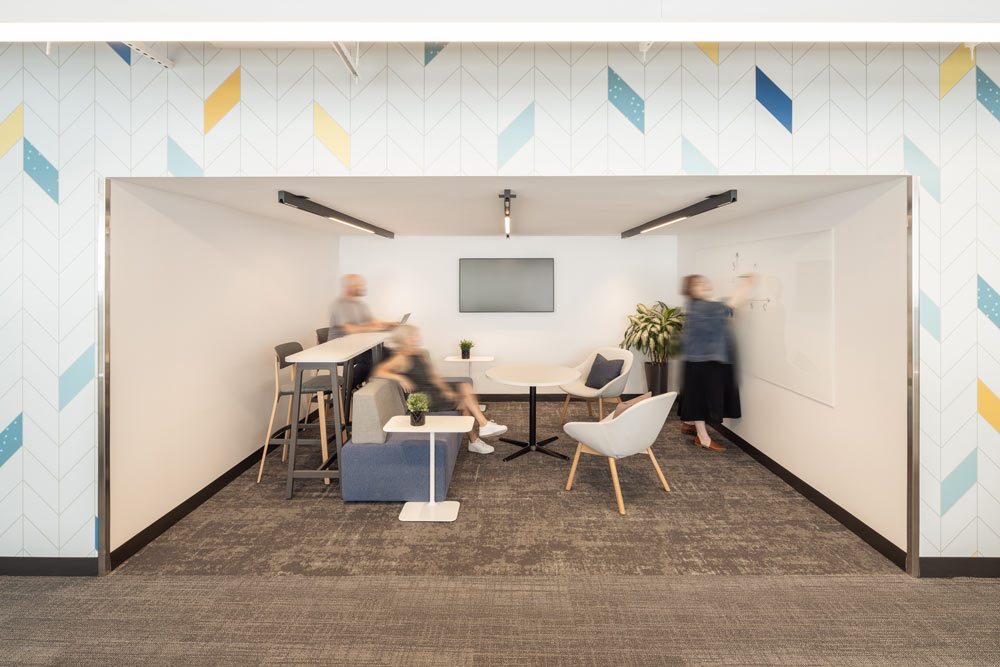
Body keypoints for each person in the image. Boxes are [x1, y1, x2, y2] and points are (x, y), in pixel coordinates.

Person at [374, 325, 507, 454]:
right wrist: (399, 378)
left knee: (464, 387)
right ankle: (478, 435)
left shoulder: (420, 353)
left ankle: (480, 432)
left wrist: (445, 390)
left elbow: (434, 376)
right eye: (412, 336)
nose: (416, 337)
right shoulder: (400, 358)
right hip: (423, 399)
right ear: (403, 339)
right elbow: (378, 371)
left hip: (433, 390)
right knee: (465, 403)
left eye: (415, 335)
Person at [678, 273, 755, 451]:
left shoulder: (692, 306)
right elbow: (730, 305)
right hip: (703, 362)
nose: (704, 285)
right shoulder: (705, 307)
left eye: (704, 282)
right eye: (698, 284)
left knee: (696, 396)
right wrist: (746, 284)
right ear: (690, 290)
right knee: (699, 400)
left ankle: (690, 423)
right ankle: (703, 438)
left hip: (696, 360)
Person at [329, 274, 397, 389]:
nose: (362, 287)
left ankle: (358, 387)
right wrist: (375, 328)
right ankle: (346, 389)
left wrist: (389, 324)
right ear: (349, 287)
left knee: (390, 354)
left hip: (357, 345)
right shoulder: (340, 305)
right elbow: (350, 329)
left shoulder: (360, 305)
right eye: (358, 285)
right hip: (340, 347)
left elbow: (373, 320)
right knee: (374, 358)